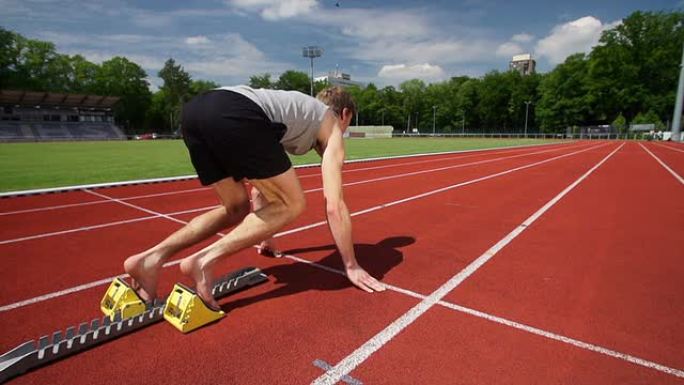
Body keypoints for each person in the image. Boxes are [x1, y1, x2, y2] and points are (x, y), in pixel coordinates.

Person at [123, 85, 386, 310]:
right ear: (345, 114)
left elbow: (260, 189)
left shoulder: (294, 115)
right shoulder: (332, 128)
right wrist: (351, 265)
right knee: (293, 203)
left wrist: (267, 237)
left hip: (196, 112)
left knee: (235, 207)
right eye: (349, 123)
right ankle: (202, 261)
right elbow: (334, 205)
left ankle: (149, 259)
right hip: (235, 111)